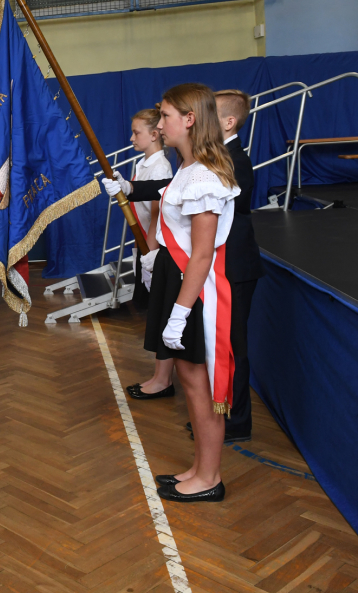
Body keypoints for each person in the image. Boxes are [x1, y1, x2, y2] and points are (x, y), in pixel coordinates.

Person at [106, 91, 261, 441]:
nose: (160, 126)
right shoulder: (197, 163)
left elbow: (206, 222)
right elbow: (172, 190)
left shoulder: (228, 162)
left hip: (228, 268)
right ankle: (220, 418)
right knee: (198, 366)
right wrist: (130, 188)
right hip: (201, 270)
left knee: (228, 347)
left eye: (166, 117)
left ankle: (234, 418)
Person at [116, 83, 239, 503]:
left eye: (166, 115)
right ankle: (201, 468)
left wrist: (179, 313)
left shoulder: (204, 174)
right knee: (190, 382)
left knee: (197, 385)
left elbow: (202, 255)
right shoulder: (189, 168)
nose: (160, 123)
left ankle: (209, 478)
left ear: (188, 119)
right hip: (178, 281)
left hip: (195, 291)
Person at [121, 108, 176, 400]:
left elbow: (157, 213)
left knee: (163, 313)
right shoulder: (145, 164)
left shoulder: (161, 168)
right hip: (143, 244)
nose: (132, 138)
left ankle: (163, 379)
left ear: (154, 135)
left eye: (137, 132)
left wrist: (151, 252)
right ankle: (160, 374)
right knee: (156, 312)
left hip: (153, 247)